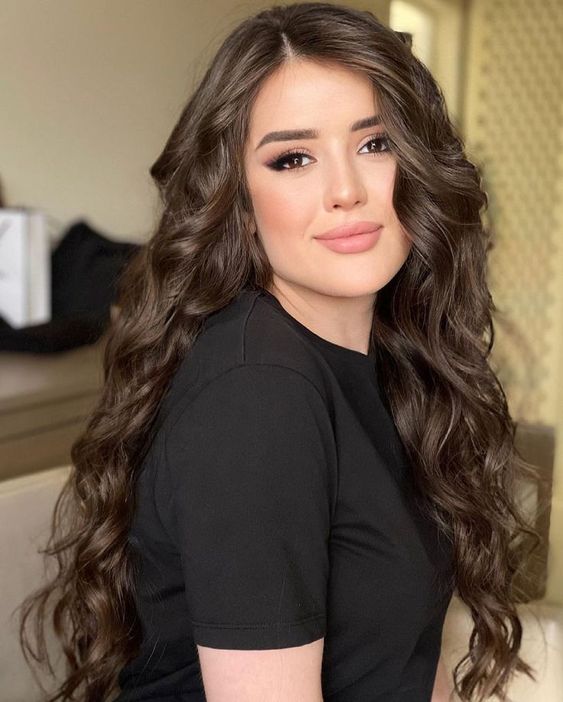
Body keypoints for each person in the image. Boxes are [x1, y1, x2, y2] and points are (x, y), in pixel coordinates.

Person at [18, 3, 541, 701]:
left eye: (375, 144)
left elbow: (405, 657)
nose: (346, 191)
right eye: (293, 159)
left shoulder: (385, 362)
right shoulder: (258, 393)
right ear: (237, 201)